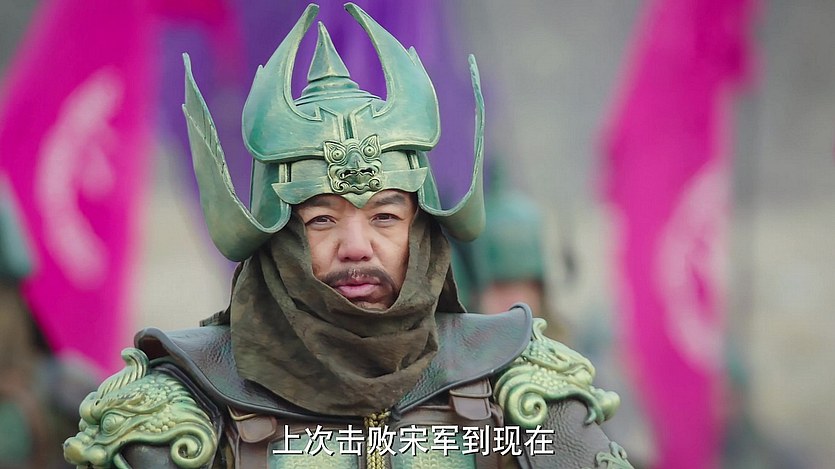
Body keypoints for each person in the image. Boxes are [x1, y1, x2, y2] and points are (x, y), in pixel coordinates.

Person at [63, 4, 631, 468]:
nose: (357, 247)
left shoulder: (521, 390)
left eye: (385, 217)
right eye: (322, 220)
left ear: (421, 231)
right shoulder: (180, 408)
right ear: (278, 239)